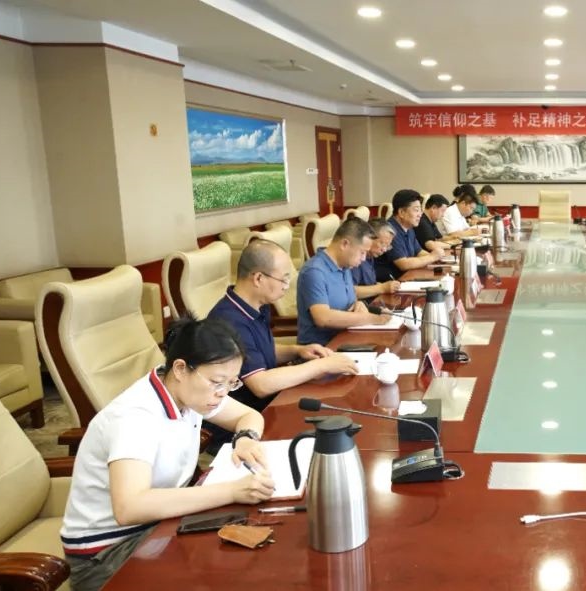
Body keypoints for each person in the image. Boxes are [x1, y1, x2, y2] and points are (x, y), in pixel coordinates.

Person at [61, 317, 276, 591]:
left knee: (248, 553)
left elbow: (248, 416)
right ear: (180, 368)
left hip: (159, 525)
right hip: (107, 553)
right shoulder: (136, 417)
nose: (222, 393)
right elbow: (130, 507)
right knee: (224, 573)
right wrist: (232, 491)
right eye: (216, 382)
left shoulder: (188, 392)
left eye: (231, 383)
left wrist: (245, 438)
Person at [204, 239, 360, 452]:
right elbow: (260, 384)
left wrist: (297, 351)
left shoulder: (256, 305)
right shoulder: (229, 321)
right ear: (258, 278)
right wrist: (322, 366)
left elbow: (257, 353)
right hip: (241, 428)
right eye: (283, 279)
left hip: (270, 406)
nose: (287, 286)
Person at [297, 217, 390, 346]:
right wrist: (373, 319)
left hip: (348, 337)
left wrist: (358, 304)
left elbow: (345, 300)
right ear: (345, 244)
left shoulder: (344, 265)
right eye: (362, 252)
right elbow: (323, 318)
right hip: (323, 348)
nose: (364, 258)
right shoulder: (314, 271)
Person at [374, 189, 445, 282]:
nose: (420, 214)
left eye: (420, 210)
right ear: (401, 212)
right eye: (416, 210)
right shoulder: (390, 230)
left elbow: (418, 251)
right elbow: (403, 264)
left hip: (407, 277)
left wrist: (438, 258)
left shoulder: (409, 227)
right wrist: (432, 257)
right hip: (393, 282)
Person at [352, 218, 401, 301]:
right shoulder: (355, 258)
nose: (384, 250)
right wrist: (382, 288)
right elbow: (351, 291)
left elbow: (369, 284)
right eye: (382, 243)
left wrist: (383, 286)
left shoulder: (370, 256)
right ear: (369, 237)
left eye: (387, 246)